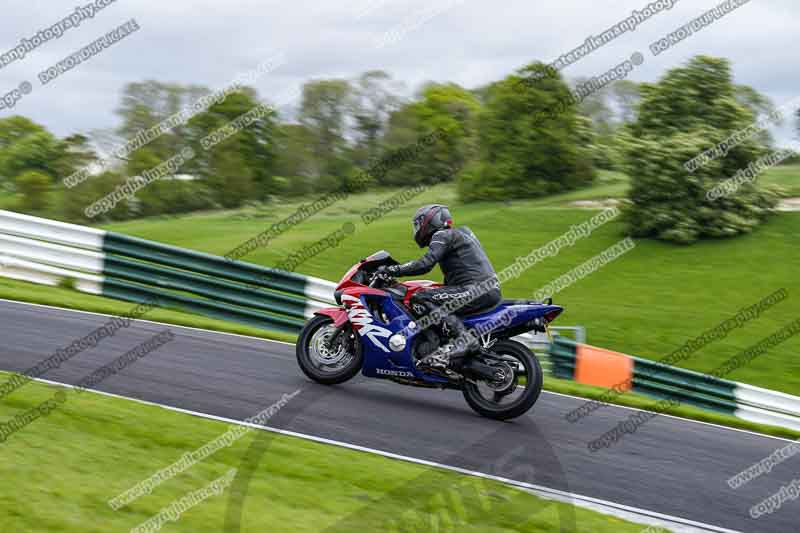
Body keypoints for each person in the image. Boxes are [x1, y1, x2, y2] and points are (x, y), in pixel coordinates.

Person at [377, 204, 501, 370]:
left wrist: (394, 269)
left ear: (430, 220)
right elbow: (458, 271)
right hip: (485, 289)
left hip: (475, 289)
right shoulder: (461, 234)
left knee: (420, 298)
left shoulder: (442, 235)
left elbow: (425, 264)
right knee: (433, 296)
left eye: (418, 224)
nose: (417, 229)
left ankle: (465, 341)